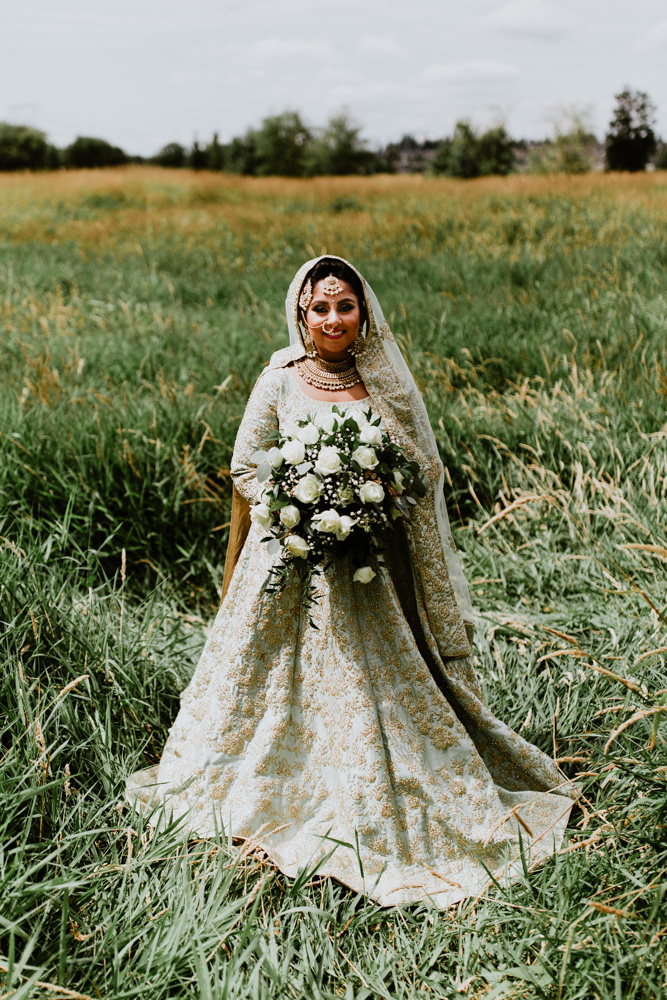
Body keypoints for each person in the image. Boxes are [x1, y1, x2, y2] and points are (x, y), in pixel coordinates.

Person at [126, 255, 576, 909]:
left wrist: (369, 498)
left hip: (371, 568)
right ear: (301, 314)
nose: (332, 319)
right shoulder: (278, 379)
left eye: (344, 306)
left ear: (361, 312)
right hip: (290, 563)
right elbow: (246, 466)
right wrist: (296, 508)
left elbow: (421, 469)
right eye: (320, 308)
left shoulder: (384, 383)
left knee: (382, 686)